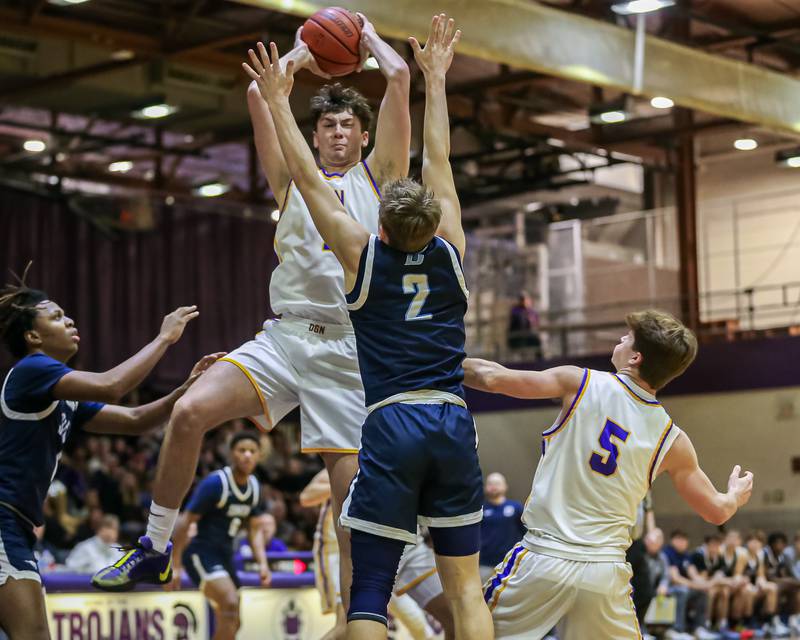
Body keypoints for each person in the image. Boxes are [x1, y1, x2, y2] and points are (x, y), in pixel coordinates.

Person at [93, 12, 411, 609]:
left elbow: (398, 79)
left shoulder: (381, 176)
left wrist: (363, 37)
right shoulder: (292, 181)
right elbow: (256, 95)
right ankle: (156, 548)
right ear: (313, 136)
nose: (338, 132)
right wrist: (299, 54)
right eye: (327, 124)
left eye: (348, 124)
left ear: (365, 137)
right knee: (188, 412)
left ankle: (360, 615)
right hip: (287, 337)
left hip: (351, 348)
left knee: (349, 512)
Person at [245, 14, 493, 640]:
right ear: (437, 220)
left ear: (379, 223)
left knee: (369, 598)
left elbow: (306, 179)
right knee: (467, 591)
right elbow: (436, 154)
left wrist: (279, 99)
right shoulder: (453, 253)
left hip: (389, 423)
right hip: (453, 421)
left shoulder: (364, 260)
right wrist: (432, 80)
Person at [464, 309, 753, 640]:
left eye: (627, 338)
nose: (620, 339)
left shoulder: (582, 382)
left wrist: (435, 359)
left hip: (543, 558)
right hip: (604, 572)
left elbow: (492, 377)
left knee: (472, 631)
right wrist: (734, 494)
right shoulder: (673, 439)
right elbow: (715, 510)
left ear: (636, 357)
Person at [0, 268, 218, 640]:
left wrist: (185, 388)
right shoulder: (31, 370)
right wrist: (164, 338)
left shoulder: (61, 393)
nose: (68, 319)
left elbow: (135, 419)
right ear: (33, 336)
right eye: (55, 316)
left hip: (16, 526)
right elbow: (111, 386)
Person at [300, 469, 455, 640]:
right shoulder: (345, 458)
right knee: (346, 627)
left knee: (441, 620)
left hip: (403, 539)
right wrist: (345, 482)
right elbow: (306, 497)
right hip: (344, 550)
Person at [165, 430, 269, 640]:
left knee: (234, 620)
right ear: (232, 454)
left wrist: (263, 562)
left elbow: (255, 529)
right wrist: (174, 565)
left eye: (252, 451)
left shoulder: (255, 487)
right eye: (242, 450)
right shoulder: (216, 483)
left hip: (225, 555)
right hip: (200, 553)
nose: (247, 455)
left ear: (259, 455)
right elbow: (186, 521)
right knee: (229, 603)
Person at [480, 473, 525, 582]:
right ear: (485, 487)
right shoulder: (480, 510)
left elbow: (526, 532)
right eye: (490, 484)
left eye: (497, 483)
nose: (494, 486)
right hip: (485, 563)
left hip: (510, 562)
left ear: (505, 486)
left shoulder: (516, 507)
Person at [507, 292, 541, 357]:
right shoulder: (515, 310)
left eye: (525, 299)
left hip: (529, 336)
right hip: (517, 336)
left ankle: (539, 360)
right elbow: (517, 323)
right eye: (522, 300)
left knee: (537, 341)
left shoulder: (531, 311)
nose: (524, 301)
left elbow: (536, 322)